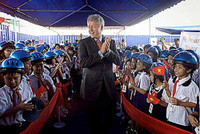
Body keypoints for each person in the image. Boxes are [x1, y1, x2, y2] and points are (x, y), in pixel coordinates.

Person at [78, 14, 121, 134]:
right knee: (93, 121)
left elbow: (118, 61)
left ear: (101, 27)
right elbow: (83, 63)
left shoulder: (110, 42)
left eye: (93, 26)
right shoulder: (83, 43)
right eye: (89, 26)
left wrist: (108, 52)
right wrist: (100, 53)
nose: (90, 29)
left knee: (109, 120)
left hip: (108, 87)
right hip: (91, 87)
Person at [163, 51, 199, 131]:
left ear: (188, 69)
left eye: (180, 67)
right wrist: (167, 89)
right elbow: (171, 98)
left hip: (181, 121)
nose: (176, 69)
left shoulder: (192, 86)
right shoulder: (175, 81)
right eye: (175, 66)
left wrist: (180, 103)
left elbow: (195, 104)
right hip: (170, 117)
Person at [0, 58, 34, 134]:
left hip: (25, 125)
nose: (12, 81)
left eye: (16, 78)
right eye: (8, 78)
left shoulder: (26, 87)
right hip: (7, 129)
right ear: (3, 77)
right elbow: (1, 114)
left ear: (22, 76)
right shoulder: (1, 93)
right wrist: (18, 107)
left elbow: (31, 100)